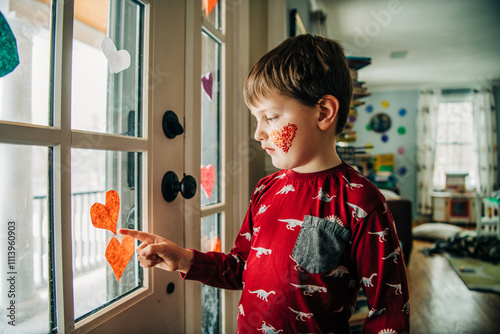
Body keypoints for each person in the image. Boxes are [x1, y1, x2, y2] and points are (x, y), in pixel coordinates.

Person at [120, 34, 410, 333]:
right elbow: (240, 267)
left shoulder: (362, 202)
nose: (258, 134)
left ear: (323, 113)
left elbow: (390, 311)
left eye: (271, 117)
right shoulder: (265, 189)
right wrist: (184, 259)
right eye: (256, 119)